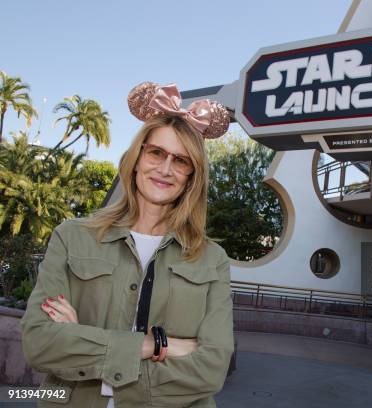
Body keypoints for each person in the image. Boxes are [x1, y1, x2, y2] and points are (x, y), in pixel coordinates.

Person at [20, 82, 234, 408]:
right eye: (156, 153)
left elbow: (212, 369)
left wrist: (85, 344)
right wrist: (155, 346)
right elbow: (39, 343)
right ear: (137, 159)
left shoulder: (212, 259)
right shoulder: (72, 237)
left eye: (181, 160)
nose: (165, 169)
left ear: (192, 176)